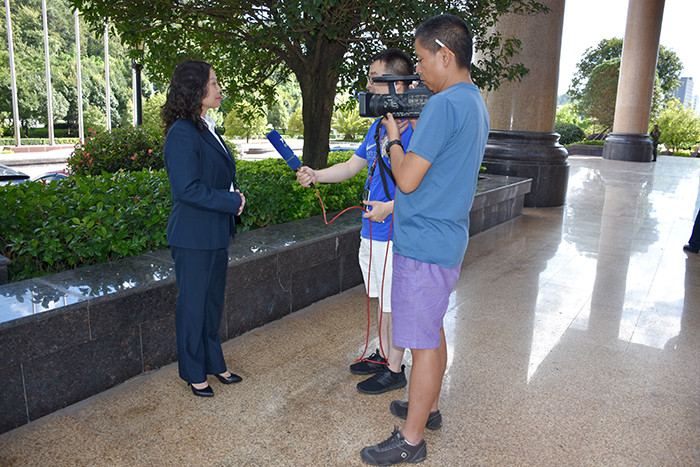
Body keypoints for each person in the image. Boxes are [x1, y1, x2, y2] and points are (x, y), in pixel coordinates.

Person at [360, 14, 489, 465]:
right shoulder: (473, 100)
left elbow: (408, 179)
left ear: (445, 55)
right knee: (431, 329)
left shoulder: (443, 105)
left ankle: (411, 440)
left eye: (420, 59)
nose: (418, 70)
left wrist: (394, 140)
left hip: (423, 242)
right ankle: (428, 408)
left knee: (422, 343)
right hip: (446, 236)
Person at [296, 49, 414, 395]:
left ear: (398, 84)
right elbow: (351, 166)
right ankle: (383, 353)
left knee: (393, 304)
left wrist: (390, 208)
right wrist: (316, 174)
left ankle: (395, 369)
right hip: (371, 229)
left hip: (395, 232)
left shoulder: (416, 130)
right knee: (380, 299)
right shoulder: (378, 127)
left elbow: (425, 187)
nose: (368, 86)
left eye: (375, 79)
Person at [161, 60, 245, 397]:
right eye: (213, 83)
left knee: (211, 304)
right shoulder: (181, 132)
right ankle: (193, 372)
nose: (219, 88)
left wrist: (234, 195)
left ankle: (214, 362)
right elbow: (187, 189)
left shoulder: (206, 127)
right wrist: (231, 201)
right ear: (194, 89)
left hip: (215, 232)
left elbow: (217, 177)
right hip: (193, 236)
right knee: (193, 306)